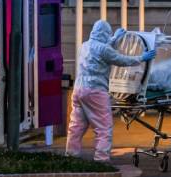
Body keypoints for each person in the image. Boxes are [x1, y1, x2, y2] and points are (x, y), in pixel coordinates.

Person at [66, 20, 156, 162]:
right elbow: (121, 60)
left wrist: (114, 38)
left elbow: (101, 49)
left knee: (76, 126)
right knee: (103, 128)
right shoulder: (104, 49)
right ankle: (101, 160)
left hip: (79, 90)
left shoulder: (84, 46)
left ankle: (71, 156)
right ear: (105, 34)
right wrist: (141, 58)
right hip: (95, 90)